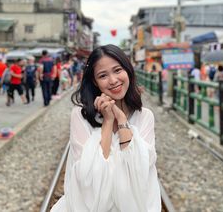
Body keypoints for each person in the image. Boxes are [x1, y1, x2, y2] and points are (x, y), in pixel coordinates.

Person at [51, 44, 161, 212]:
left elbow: (140, 170)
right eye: (103, 75)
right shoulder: (80, 117)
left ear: (128, 70)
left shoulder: (145, 116)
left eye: (117, 70)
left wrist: (122, 118)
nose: (113, 80)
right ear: (95, 81)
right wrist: (108, 121)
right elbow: (89, 177)